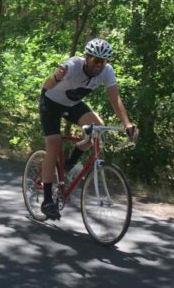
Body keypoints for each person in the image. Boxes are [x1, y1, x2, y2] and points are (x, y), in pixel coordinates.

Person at [38, 38, 138, 220]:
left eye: (103, 61)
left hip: (72, 104)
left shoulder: (107, 72)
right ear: (87, 57)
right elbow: (47, 86)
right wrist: (56, 77)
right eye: (96, 61)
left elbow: (115, 99)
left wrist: (127, 124)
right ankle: (47, 200)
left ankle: (69, 163)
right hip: (51, 102)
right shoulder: (73, 66)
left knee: (97, 130)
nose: (99, 65)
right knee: (54, 142)